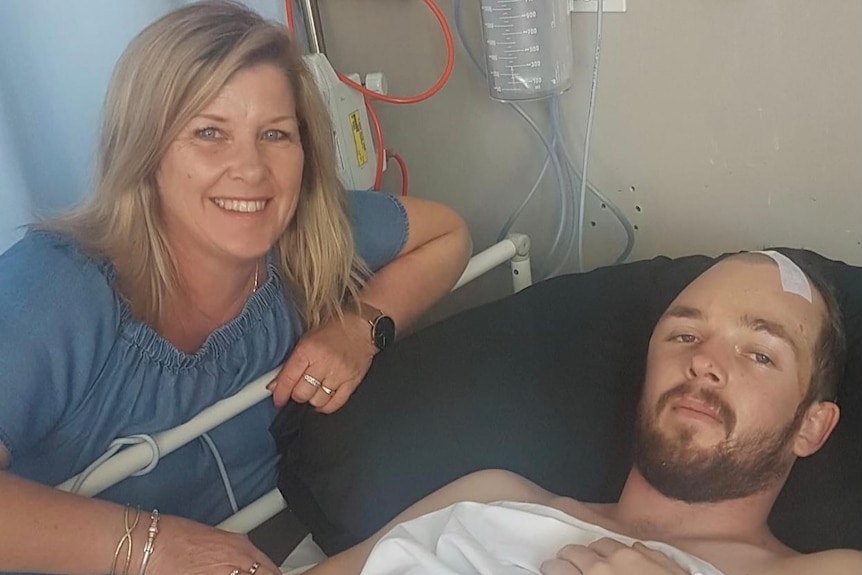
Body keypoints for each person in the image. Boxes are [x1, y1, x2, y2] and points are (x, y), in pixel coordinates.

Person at [0, 2, 471, 574]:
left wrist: (360, 325)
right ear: (145, 154)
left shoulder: (306, 238)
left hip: (277, 539)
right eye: (208, 133)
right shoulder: (53, 288)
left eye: (274, 133)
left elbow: (449, 235)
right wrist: (155, 547)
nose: (250, 169)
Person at [305, 251, 862, 575]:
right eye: (685, 334)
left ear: (813, 426)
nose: (703, 362)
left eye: (760, 354)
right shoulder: (490, 493)